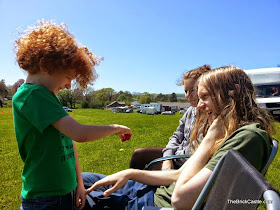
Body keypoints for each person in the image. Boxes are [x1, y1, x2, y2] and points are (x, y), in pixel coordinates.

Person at [84, 65, 274, 209]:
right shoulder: (232, 132)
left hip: (155, 204)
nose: (198, 106)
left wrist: (208, 139)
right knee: (83, 179)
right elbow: (181, 175)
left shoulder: (248, 137)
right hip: (152, 193)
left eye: (205, 97)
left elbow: (180, 199)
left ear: (234, 92)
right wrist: (131, 173)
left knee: (75, 196)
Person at [13, 20, 133, 210]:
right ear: (46, 66)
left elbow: (70, 142)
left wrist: (78, 183)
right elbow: (80, 134)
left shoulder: (48, 96)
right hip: (45, 198)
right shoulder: (32, 95)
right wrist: (115, 128)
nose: (69, 85)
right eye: (69, 78)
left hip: (65, 191)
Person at [161, 64, 211, 169]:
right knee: (138, 154)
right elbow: (177, 136)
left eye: (192, 90)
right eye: (185, 91)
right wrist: (167, 158)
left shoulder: (211, 116)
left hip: (189, 164)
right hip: (176, 157)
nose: (188, 95)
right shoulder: (190, 111)